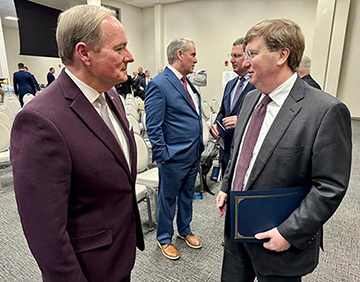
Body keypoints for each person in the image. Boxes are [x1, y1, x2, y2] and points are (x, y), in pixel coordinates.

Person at [11, 5, 144, 282]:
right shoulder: (40, 121)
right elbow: (45, 234)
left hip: (119, 255)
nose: (129, 57)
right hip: (86, 271)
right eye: (119, 49)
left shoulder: (111, 96)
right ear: (84, 53)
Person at [216, 18, 351, 282]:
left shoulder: (324, 111)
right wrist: (226, 185)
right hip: (236, 230)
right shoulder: (251, 98)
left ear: (282, 55)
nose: (245, 62)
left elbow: (330, 185)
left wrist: (290, 232)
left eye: (252, 54)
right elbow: (242, 151)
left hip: (279, 242)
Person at [145, 37, 204, 260]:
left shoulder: (187, 82)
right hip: (172, 157)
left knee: (187, 196)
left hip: (192, 154)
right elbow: (153, 126)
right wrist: (163, 156)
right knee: (167, 200)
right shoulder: (159, 84)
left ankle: (185, 230)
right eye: (193, 55)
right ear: (180, 54)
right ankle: (164, 238)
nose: (196, 60)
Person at [210, 38, 255, 176]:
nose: (231, 60)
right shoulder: (230, 84)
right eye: (231, 56)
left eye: (236, 56)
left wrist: (241, 121)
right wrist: (215, 125)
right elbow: (223, 112)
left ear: (248, 57)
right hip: (226, 151)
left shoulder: (258, 85)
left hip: (244, 153)